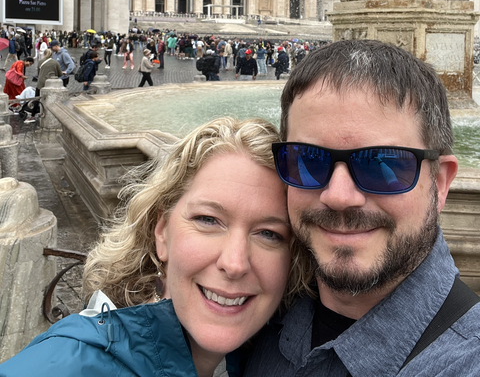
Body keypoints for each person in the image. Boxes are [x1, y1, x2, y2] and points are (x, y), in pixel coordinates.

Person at [0, 117, 311, 377]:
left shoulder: (264, 358)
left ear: (292, 260)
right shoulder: (62, 366)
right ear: (161, 232)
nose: (235, 262)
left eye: (269, 234)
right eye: (208, 219)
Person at [244, 39, 480, 377]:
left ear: (440, 183)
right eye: (308, 161)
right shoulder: (251, 312)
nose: (339, 196)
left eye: (382, 164)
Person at [29, 49, 63, 122]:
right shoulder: (55, 62)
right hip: (51, 83)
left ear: (44, 54)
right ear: (52, 55)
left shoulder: (40, 62)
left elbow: (39, 73)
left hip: (40, 83)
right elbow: (60, 74)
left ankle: (32, 115)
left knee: (37, 99)